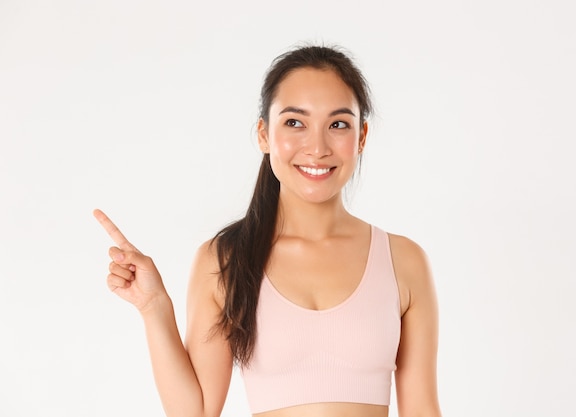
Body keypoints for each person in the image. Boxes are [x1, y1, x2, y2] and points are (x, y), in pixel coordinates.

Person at [94, 44, 442, 417]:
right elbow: (195, 412)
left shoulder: (403, 261)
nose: (317, 147)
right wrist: (153, 308)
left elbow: (422, 409)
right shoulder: (225, 260)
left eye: (338, 124)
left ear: (361, 137)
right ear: (263, 134)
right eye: (295, 122)